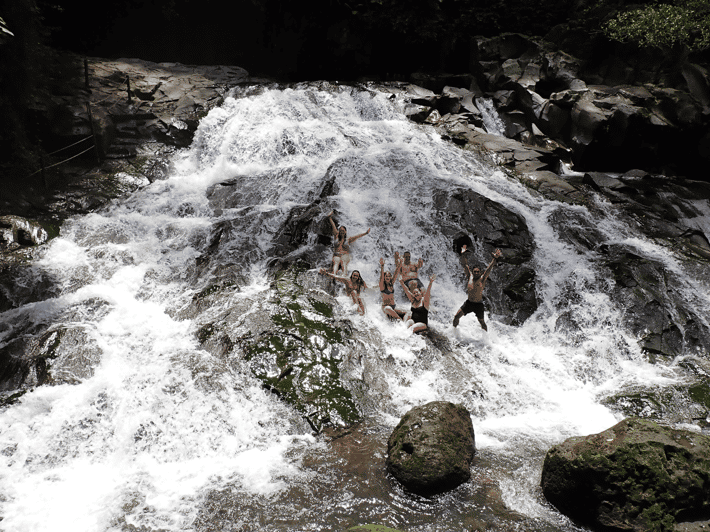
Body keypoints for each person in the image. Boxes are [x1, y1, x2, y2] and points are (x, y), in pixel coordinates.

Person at [453, 249, 502, 331]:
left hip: (478, 305)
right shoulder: (470, 277)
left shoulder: (482, 279)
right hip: (468, 303)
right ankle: (453, 331)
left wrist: (494, 259)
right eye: (475, 272)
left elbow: (489, 269)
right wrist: (463, 254)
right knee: (456, 316)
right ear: (473, 272)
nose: (476, 273)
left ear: (480, 272)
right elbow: (465, 265)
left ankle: (486, 338)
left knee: (482, 322)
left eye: (478, 272)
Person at [327, 210, 370, 275]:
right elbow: (333, 225)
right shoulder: (336, 236)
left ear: (345, 231)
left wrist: (365, 233)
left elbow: (357, 236)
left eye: (343, 231)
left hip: (345, 255)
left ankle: (344, 277)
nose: (341, 232)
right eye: (340, 230)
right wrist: (330, 218)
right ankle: (333, 276)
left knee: (343, 263)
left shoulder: (349, 239)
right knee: (336, 264)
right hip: (336, 255)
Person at [379, 256, 406, 321]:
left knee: (407, 312)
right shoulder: (382, 286)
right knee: (388, 308)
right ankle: (399, 319)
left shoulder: (391, 284)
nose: (388, 277)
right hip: (386, 308)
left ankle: (405, 323)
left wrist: (400, 263)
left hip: (394, 306)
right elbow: (381, 278)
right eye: (386, 276)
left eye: (389, 276)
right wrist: (382, 266)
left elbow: (396, 273)